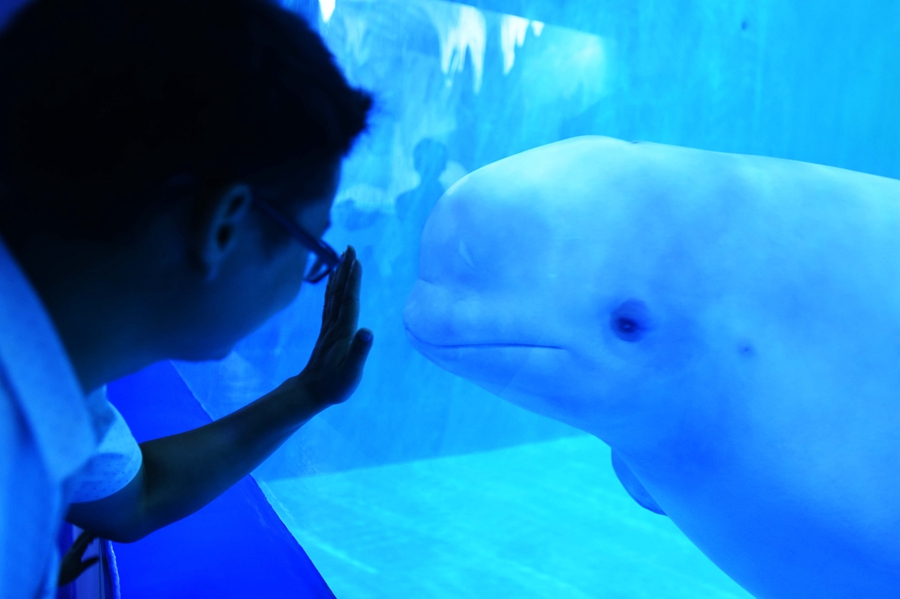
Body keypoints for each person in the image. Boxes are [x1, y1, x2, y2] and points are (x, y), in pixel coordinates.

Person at [0, 0, 375, 597]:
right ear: (223, 225)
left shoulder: (62, 371)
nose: (312, 273)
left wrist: (308, 392)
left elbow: (137, 496)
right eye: (314, 245)